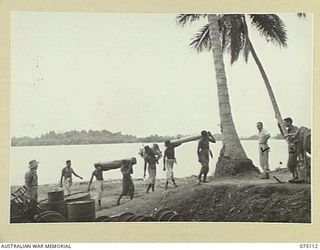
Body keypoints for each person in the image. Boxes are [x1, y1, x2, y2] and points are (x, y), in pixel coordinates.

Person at [280, 117, 300, 181]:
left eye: (285, 122)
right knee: (292, 163)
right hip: (290, 148)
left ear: (289, 122)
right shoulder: (288, 130)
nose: (284, 124)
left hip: (295, 147)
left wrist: (289, 135)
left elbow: (297, 135)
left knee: (291, 163)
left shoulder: (295, 128)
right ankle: (295, 176)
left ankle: (296, 176)